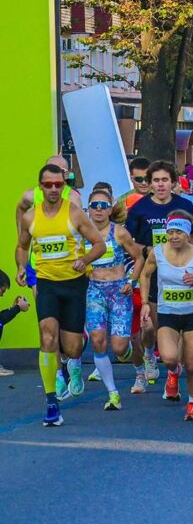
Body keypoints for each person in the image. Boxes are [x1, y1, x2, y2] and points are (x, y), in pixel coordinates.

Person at [15, 164, 106, 426]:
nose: (54, 189)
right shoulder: (30, 217)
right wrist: (21, 267)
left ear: (64, 186)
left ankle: (74, 359)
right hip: (46, 284)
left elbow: (99, 245)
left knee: (72, 346)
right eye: (48, 185)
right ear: (40, 187)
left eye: (58, 184)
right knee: (47, 336)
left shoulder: (74, 213)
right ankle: (52, 402)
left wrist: (84, 260)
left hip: (74, 284)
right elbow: (22, 246)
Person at [126, 161, 193, 384]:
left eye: (165, 180)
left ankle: (172, 371)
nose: (160, 185)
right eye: (156, 180)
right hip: (152, 272)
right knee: (152, 325)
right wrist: (149, 250)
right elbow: (129, 242)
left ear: (173, 183)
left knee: (179, 324)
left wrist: (187, 255)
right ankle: (149, 353)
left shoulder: (185, 205)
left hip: (179, 273)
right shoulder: (139, 209)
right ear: (150, 184)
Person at [139, 213, 193, 421]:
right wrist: (145, 303)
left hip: (192, 314)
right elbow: (145, 275)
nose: (173, 236)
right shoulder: (157, 252)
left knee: (192, 364)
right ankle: (173, 372)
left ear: (187, 234)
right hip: (167, 313)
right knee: (169, 358)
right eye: (170, 232)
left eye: (178, 232)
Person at [84, 188, 144, 408]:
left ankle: (140, 366)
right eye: (94, 205)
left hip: (119, 291)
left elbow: (139, 257)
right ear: (88, 209)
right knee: (97, 340)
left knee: (119, 348)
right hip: (95, 291)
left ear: (110, 210)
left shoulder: (119, 233)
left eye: (103, 206)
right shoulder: (82, 233)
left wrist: (132, 281)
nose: (98, 210)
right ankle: (113, 393)